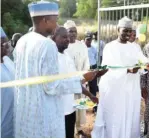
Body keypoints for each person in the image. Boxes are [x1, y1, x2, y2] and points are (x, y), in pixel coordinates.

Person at [13, 1, 97, 137]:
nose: (57, 25)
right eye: (55, 20)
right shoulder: (47, 45)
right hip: (43, 115)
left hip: (26, 114)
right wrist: (81, 80)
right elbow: (52, 86)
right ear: (45, 20)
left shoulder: (22, 41)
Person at [91, 16, 149, 138]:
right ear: (118, 30)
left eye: (130, 31)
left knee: (130, 115)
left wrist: (147, 64)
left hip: (131, 88)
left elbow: (142, 60)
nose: (128, 33)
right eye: (125, 30)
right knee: (115, 116)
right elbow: (108, 68)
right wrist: (126, 70)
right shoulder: (110, 47)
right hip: (115, 90)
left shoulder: (135, 47)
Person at [52, 26, 99, 138]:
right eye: (64, 37)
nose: (68, 39)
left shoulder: (67, 56)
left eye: (67, 37)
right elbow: (58, 85)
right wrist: (85, 79)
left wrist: (90, 95)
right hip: (58, 111)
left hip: (70, 108)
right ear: (54, 38)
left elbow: (75, 80)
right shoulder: (53, 58)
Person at [63, 20, 90, 136]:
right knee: (69, 108)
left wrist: (83, 78)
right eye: (70, 31)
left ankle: (78, 128)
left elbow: (86, 63)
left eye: (75, 31)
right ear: (66, 33)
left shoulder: (82, 45)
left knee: (80, 107)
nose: (73, 34)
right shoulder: (63, 46)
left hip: (81, 81)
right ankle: (71, 128)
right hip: (68, 84)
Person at [1, 27, 15, 138]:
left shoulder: (8, 61)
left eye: (7, 41)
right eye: (3, 43)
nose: (7, 45)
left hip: (15, 121)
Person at [84, 32, 98, 113]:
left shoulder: (93, 49)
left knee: (93, 88)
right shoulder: (82, 48)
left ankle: (94, 107)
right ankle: (84, 106)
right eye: (87, 39)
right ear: (85, 39)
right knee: (84, 88)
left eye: (90, 40)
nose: (89, 41)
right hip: (85, 70)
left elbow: (96, 58)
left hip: (92, 68)